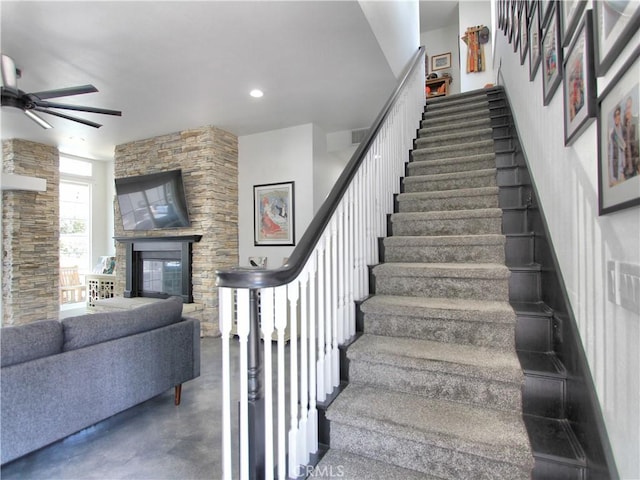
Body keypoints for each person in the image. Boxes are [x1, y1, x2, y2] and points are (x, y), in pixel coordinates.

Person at [622, 96, 639, 178]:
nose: (628, 110)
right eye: (626, 108)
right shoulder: (623, 128)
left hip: (636, 167)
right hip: (627, 170)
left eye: (629, 107)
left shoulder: (636, 122)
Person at [609, 104, 625, 186]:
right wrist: (612, 177)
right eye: (615, 115)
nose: (617, 117)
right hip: (617, 172)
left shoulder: (623, 130)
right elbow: (611, 156)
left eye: (618, 114)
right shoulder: (613, 134)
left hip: (624, 170)